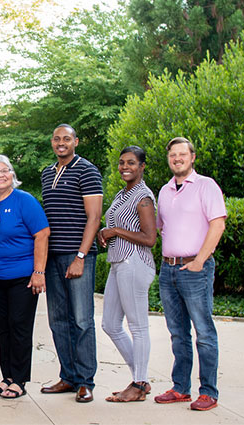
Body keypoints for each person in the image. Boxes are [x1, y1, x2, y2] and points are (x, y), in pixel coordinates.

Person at [154, 137, 226, 411]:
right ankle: (180, 387)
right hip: (168, 269)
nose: (177, 159)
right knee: (177, 333)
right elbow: (163, 227)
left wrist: (199, 260)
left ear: (192, 157)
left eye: (182, 154)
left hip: (195, 269)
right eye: (173, 155)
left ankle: (208, 391)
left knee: (204, 331)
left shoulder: (206, 186)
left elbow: (217, 225)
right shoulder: (164, 190)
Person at [39, 124, 102, 403]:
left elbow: (94, 217)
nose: (61, 143)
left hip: (77, 257)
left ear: (76, 141)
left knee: (82, 320)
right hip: (52, 257)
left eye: (66, 138)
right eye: (57, 139)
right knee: (58, 320)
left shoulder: (87, 170)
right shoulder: (46, 172)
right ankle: (68, 376)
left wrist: (80, 256)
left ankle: (86, 381)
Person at [0, 155, 50, 399]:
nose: (0, 175)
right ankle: (6, 376)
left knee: (20, 328)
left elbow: (42, 234)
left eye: (5, 170)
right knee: (4, 329)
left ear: (12, 175)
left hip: (23, 277)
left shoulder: (24, 201)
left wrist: (39, 272)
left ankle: (20, 380)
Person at [97, 146, 157, 402]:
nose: (124, 167)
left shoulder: (143, 197)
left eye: (131, 163)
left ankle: (138, 383)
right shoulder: (123, 194)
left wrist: (115, 231)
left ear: (142, 166)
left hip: (135, 262)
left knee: (138, 326)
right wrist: (105, 232)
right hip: (118, 262)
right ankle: (140, 380)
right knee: (110, 323)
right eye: (122, 163)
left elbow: (150, 238)